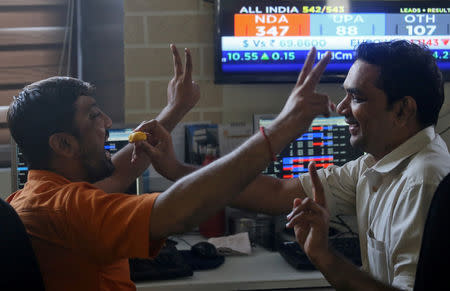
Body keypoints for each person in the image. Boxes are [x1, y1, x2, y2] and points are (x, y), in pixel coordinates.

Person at [6, 44, 333, 290]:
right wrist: (281, 129)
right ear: (63, 144)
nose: (107, 122)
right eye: (93, 115)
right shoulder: (69, 209)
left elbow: (120, 173)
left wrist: (175, 109)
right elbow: (179, 211)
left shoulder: (35, 196)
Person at [147, 40, 450, 291]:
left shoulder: (423, 181)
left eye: (356, 97)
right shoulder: (379, 164)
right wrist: (176, 170)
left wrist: (324, 256)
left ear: (402, 110)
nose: (342, 108)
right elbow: (278, 191)